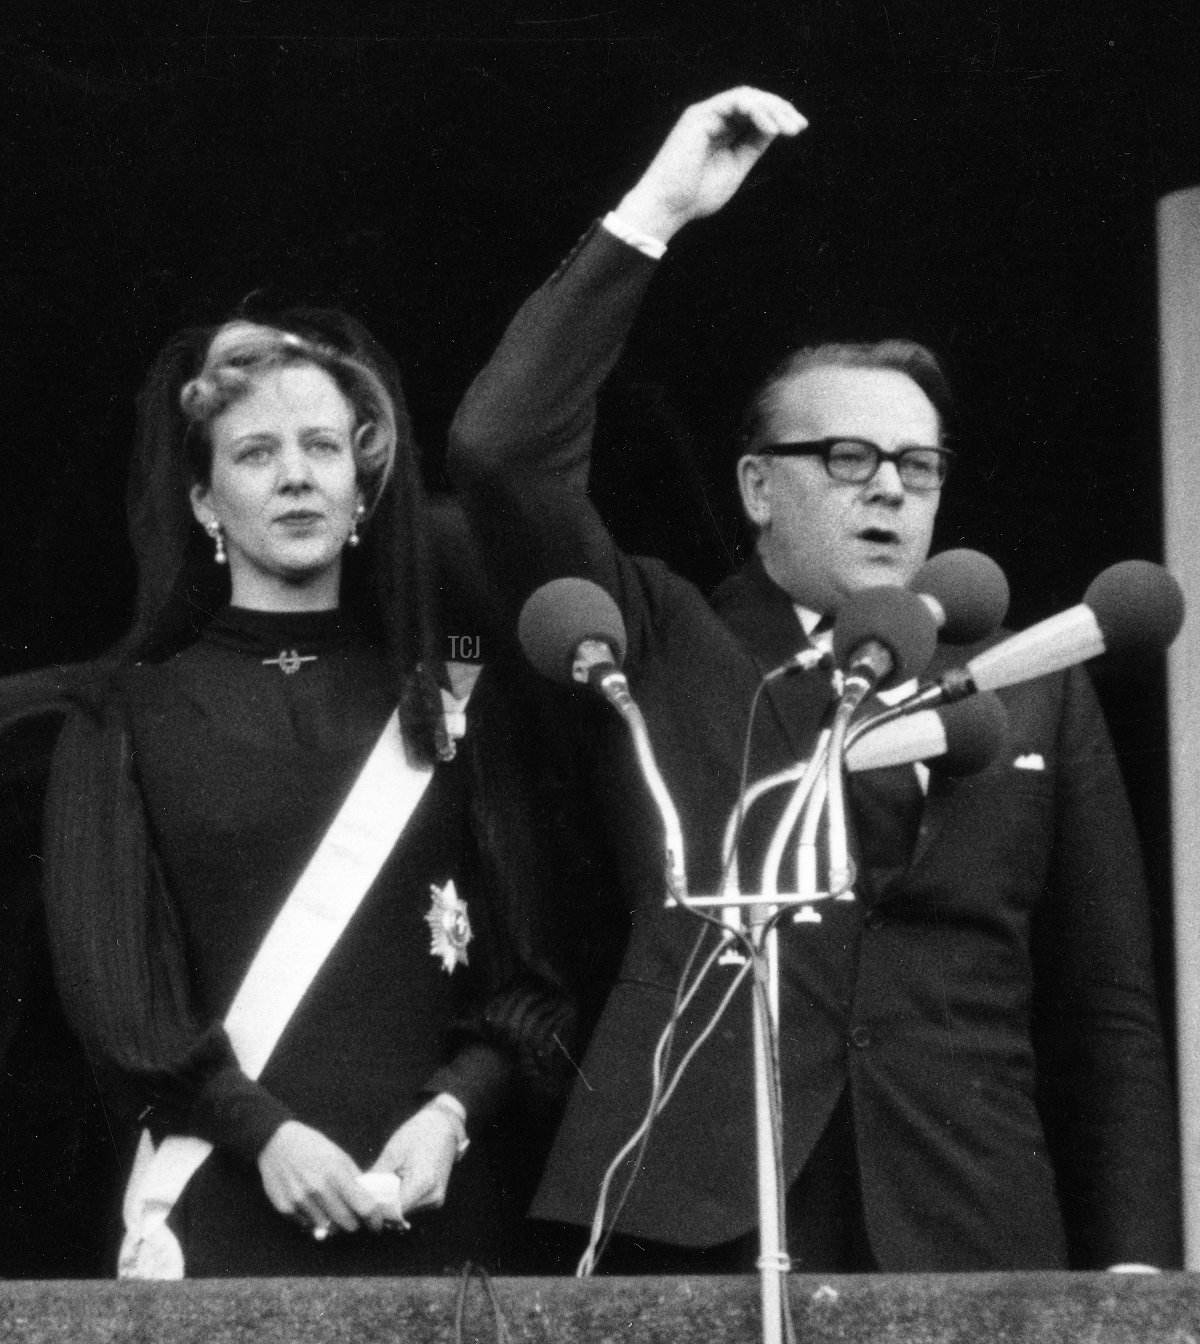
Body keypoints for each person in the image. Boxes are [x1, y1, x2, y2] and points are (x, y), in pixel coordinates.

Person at [448, 87, 1181, 1272]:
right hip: (701, 1214)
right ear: (755, 487)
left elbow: (1108, 1006)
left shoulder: (1034, 674)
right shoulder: (665, 637)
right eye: (848, 457)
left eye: (919, 465)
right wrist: (657, 212)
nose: (890, 488)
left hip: (968, 1224)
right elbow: (502, 449)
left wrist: (1138, 1267)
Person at [2, 306, 572, 1277]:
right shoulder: (123, 721)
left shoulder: (448, 703)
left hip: (431, 1205)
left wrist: (450, 1114)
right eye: (257, 453)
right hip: (222, 1199)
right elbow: (118, 1001)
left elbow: (528, 978)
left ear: (362, 484)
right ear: (204, 499)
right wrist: (267, 1133)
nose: (297, 474)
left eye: (321, 446)